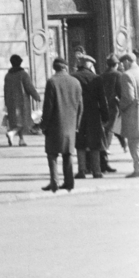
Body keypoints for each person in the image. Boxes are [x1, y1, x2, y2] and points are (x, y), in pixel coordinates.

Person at [41, 56, 83, 193]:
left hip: (55, 125)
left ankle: (54, 183)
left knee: (52, 155)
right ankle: (69, 183)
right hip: (71, 125)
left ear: (54, 67)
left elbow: (48, 107)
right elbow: (80, 106)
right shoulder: (75, 82)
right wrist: (77, 124)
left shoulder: (52, 82)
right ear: (65, 67)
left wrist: (44, 125)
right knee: (68, 155)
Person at [118, 52, 139, 178]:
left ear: (127, 61)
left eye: (122, 63)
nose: (121, 65)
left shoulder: (126, 75)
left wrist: (120, 106)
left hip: (134, 113)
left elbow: (129, 97)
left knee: (135, 141)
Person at [74, 55, 106, 179]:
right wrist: (105, 116)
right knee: (95, 143)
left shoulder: (73, 76)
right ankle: (96, 171)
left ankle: (81, 170)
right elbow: (102, 99)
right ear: (89, 64)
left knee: (80, 142)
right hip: (94, 114)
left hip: (78, 114)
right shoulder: (96, 78)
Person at [3, 54, 40, 146]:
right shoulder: (23, 74)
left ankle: (21, 139)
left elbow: (5, 90)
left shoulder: (8, 75)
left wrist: (6, 102)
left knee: (16, 121)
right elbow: (29, 87)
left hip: (11, 102)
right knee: (24, 121)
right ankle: (11, 133)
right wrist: (36, 97)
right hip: (22, 101)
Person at [97, 56, 124, 174]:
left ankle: (103, 162)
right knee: (109, 133)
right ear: (116, 64)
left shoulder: (101, 76)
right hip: (113, 107)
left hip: (102, 107)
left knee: (105, 132)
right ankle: (103, 163)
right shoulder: (118, 75)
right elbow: (120, 92)